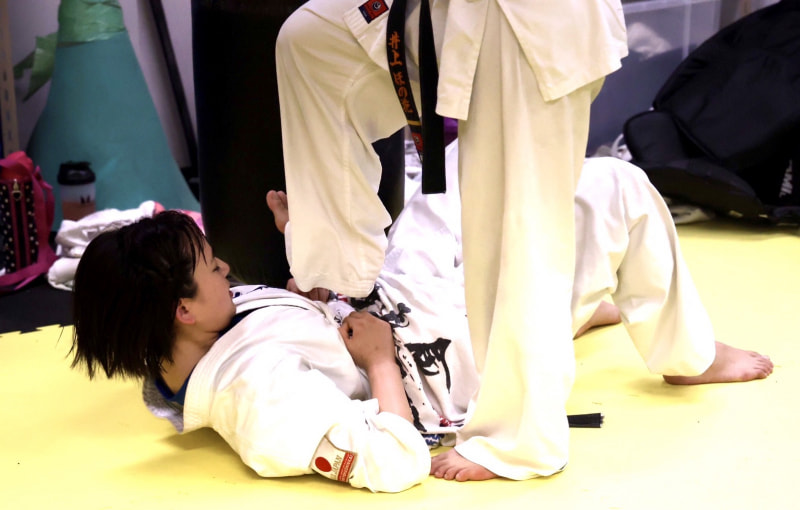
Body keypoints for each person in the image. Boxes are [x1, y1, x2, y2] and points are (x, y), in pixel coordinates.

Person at [71, 148, 771, 492]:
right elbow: (392, 462)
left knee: (464, 163)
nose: (225, 266)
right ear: (183, 309)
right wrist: (379, 362)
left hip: (396, 297)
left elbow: (291, 330)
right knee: (617, 186)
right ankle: (687, 356)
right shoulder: (259, 403)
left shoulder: (192, 343)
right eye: (211, 266)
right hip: (443, 349)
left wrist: (308, 269)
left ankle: (575, 310)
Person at [275, 0, 629, 482]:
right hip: (444, 12)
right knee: (310, 40)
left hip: (522, 25)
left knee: (515, 237)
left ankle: (519, 441)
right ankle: (332, 268)